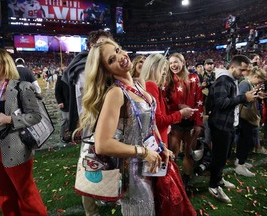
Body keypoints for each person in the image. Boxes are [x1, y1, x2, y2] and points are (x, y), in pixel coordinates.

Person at [77, 38, 172, 215]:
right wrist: (143, 152)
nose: (120, 57)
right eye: (111, 60)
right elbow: (102, 144)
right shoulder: (116, 93)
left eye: (118, 50)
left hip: (151, 163)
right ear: (106, 70)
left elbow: (150, 123)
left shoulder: (139, 83)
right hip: (133, 173)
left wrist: (161, 147)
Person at [62, 30, 112, 216]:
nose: (106, 47)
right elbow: (84, 104)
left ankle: (101, 194)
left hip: (106, 122)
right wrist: (93, 130)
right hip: (93, 125)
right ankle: (91, 210)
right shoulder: (86, 68)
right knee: (90, 164)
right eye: (100, 43)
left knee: (106, 162)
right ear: (91, 47)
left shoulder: (105, 64)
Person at [139, 53, 197, 216]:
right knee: (161, 188)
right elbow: (157, 120)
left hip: (157, 139)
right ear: (153, 68)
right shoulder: (150, 85)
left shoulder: (151, 85)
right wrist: (180, 114)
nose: (165, 75)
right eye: (163, 71)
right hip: (156, 141)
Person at [0, 47, 47, 215]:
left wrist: (8, 119)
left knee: (25, 193)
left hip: (14, 147)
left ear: (4, 62)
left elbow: (36, 116)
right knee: (3, 193)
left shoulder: (21, 87)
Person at [207, 55, 256, 203]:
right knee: (219, 157)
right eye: (242, 69)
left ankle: (219, 179)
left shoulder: (231, 80)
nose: (243, 73)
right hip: (221, 125)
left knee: (224, 156)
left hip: (228, 124)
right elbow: (221, 103)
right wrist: (243, 98)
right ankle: (213, 186)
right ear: (233, 67)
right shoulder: (223, 79)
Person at [165, 53, 203, 193]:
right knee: (173, 153)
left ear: (183, 62)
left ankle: (186, 180)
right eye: (171, 63)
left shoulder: (194, 78)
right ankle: (172, 179)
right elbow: (165, 103)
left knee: (189, 153)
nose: (173, 65)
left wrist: (199, 123)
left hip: (191, 123)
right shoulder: (168, 80)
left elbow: (200, 101)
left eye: (176, 62)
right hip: (175, 122)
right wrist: (177, 108)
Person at [235, 67, 267, 177]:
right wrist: (253, 97)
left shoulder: (248, 83)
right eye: (260, 80)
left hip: (245, 117)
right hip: (244, 117)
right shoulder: (245, 83)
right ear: (255, 77)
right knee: (245, 141)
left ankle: (239, 161)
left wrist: (258, 95)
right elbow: (242, 99)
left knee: (244, 140)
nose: (260, 83)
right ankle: (240, 165)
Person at [55, 72, 70, 144]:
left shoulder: (74, 76)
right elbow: (57, 91)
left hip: (74, 103)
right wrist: (60, 101)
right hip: (65, 103)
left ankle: (71, 135)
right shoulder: (60, 78)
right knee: (65, 120)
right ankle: (62, 136)